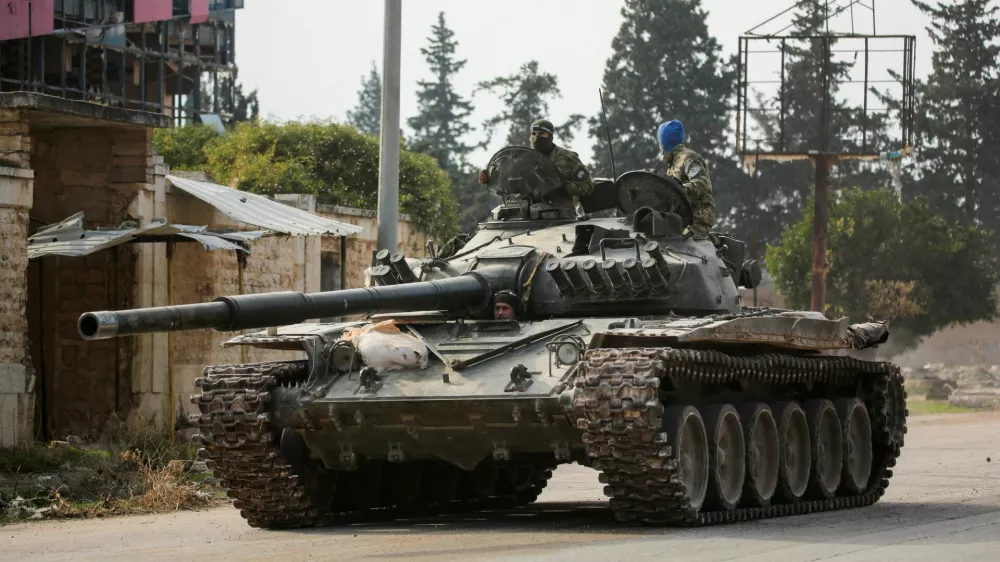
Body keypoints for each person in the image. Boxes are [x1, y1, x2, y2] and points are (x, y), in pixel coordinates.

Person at [478, 119, 594, 206]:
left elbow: (588, 187)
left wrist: (563, 184)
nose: (537, 137)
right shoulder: (520, 158)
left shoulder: (568, 159)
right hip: (524, 213)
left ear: (550, 136)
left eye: (542, 134)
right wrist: (489, 176)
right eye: (534, 134)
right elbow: (506, 179)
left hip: (560, 214)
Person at [652, 119, 716, 237]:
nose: (659, 148)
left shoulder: (688, 158)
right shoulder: (673, 162)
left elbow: (703, 184)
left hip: (696, 219)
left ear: (664, 143)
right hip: (680, 219)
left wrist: (677, 189)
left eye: (660, 143)